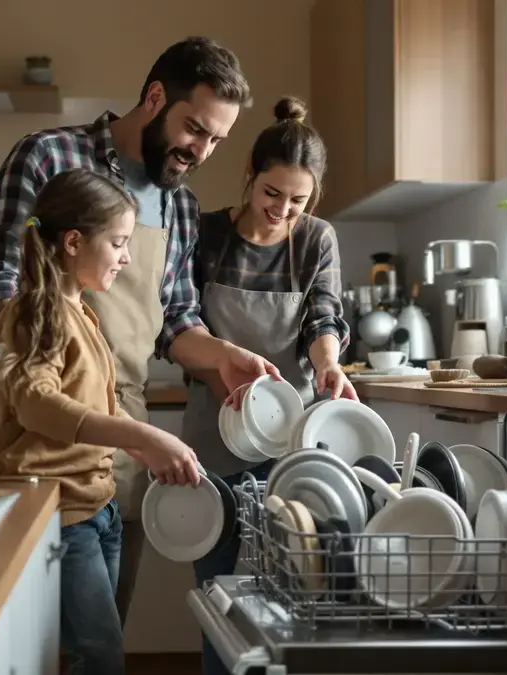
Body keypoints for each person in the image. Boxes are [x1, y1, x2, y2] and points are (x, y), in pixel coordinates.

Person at [0, 37, 279, 629]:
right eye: (195, 129)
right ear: (155, 97)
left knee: (103, 631)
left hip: (126, 442)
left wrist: (222, 356)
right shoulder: (49, 157)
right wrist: (46, 369)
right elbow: (1, 287)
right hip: (37, 438)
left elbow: (175, 321)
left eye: (216, 139)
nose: (201, 150)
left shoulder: (180, 207)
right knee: (25, 637)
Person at [0, 168, 202, 675]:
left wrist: (141, 448)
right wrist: (143, 434)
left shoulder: (81, 312)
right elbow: (38, 406)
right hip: (56, 513)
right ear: (73, 242)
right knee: (100, 655)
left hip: (95, 504)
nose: (126, 258)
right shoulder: (31, 315)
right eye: (118, 243)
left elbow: (89, 404)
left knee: (99, 650)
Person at [182, 96, 356, 675]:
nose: (282, 210)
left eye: (298, 200)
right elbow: (181, 324)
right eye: (271, 193)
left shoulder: (316, 240)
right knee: (219, 591)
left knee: (291, 588)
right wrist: (222, 380)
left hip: (290, 436)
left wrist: (329, 364)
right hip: (214, 431)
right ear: (250, 175)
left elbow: (323, 318)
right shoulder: (206, 233)